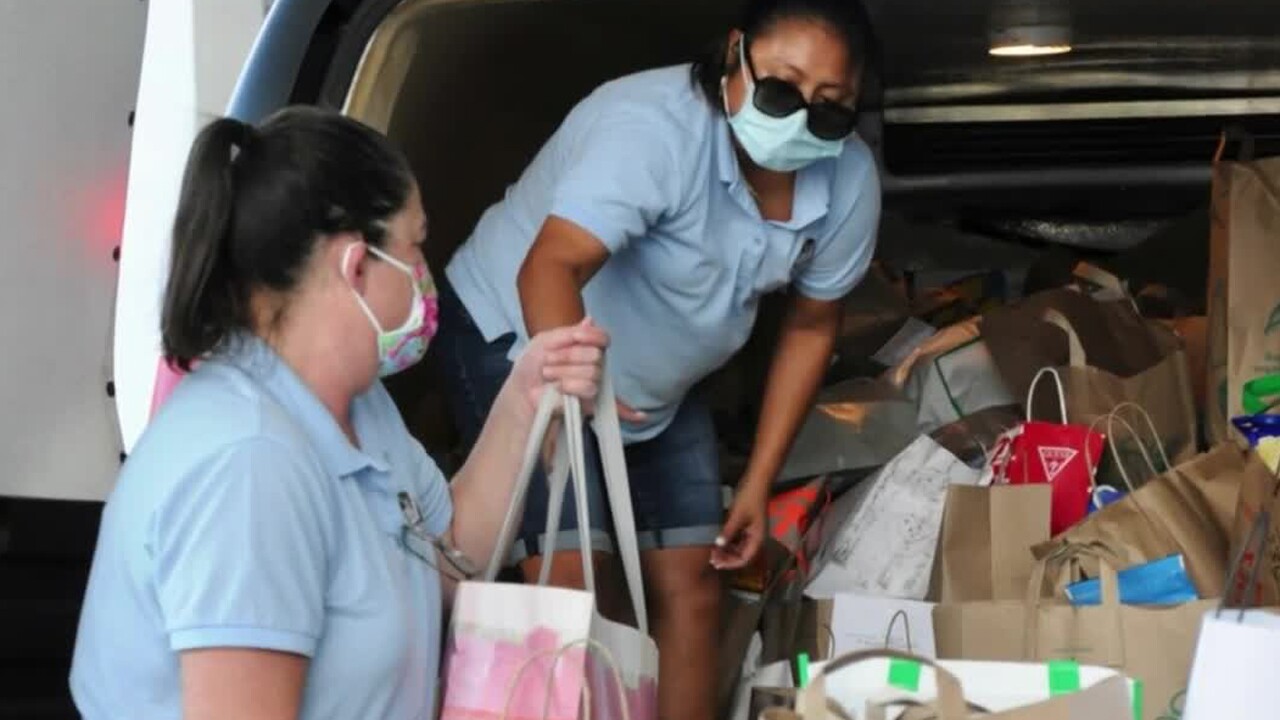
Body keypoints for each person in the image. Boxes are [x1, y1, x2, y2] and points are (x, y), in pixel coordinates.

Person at [69, 106, 609, 719]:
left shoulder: (357, 407)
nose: (427, 277)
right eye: (417, 246)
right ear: (357, 265)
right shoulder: (250, 465)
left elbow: (448, 556)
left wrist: (525, 398)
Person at [435, 0, 880, 716]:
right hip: (521, 337)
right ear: (735, 54)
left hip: (659, 387)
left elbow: (810, 324)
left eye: (830, 110)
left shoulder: (848, 180)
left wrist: (758, 483)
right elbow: (547, 268)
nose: (800, 119)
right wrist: (579, 393)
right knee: (576, 589)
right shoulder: (652, 128)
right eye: (781, 89)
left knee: (695, 590)